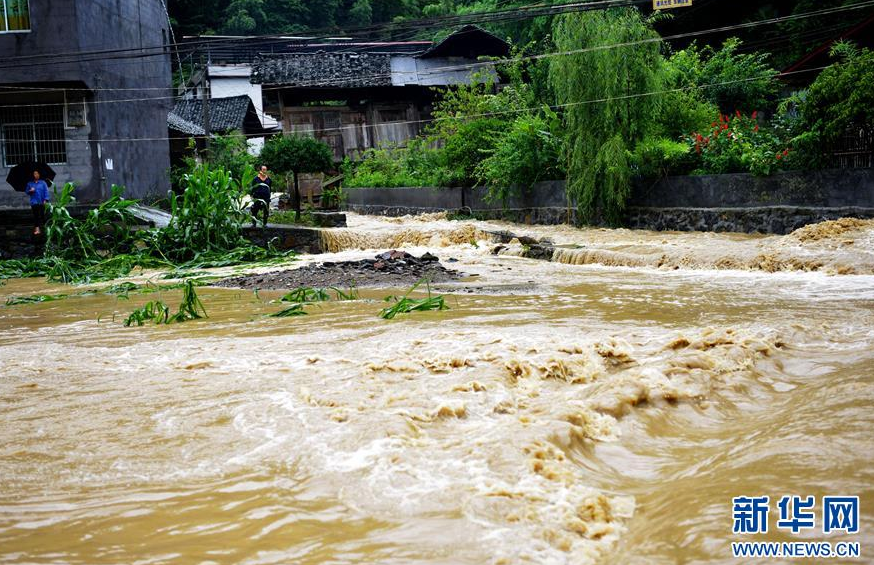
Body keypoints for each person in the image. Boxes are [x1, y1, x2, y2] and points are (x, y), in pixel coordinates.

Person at [25, 170, 50, 236]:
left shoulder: (43, 183)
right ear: (32, 175)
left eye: (37, 173)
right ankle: (37, 230)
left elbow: (46, 191)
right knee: (36, 216)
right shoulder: (30, 183)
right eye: (34, 174)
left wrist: (46, 199)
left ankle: (46, 229)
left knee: (43, 215)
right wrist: (30, 190)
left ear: (39, 174)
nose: (36, 175)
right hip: (34, 202)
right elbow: (27, 191)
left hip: (42, 201)